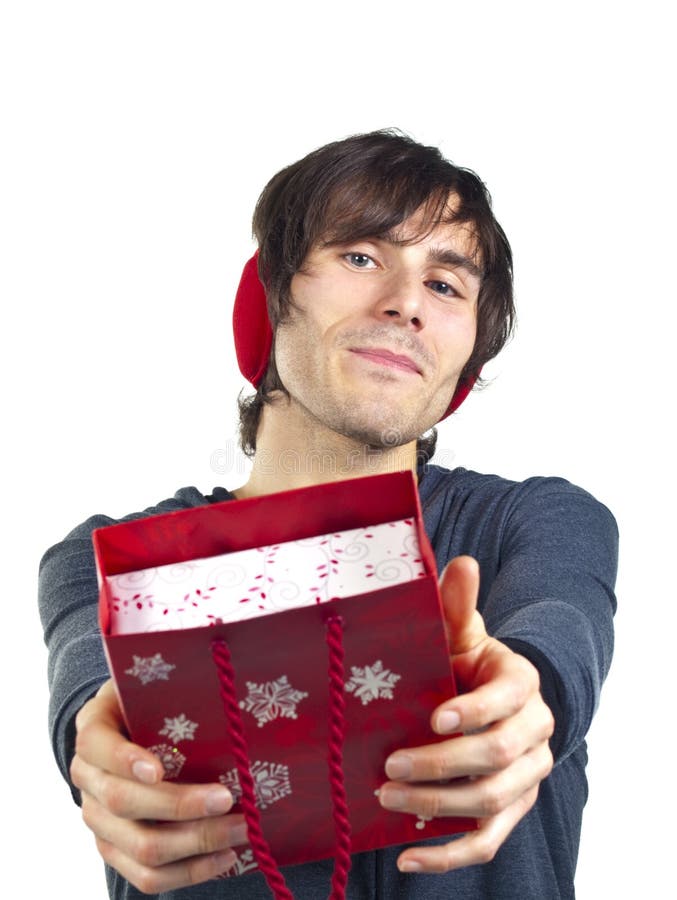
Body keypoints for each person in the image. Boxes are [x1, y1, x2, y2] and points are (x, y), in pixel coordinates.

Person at [39, 129, 618, 899]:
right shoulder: (109, 556)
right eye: (361, 257)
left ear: (464, 366)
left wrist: (527, 696)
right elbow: (89, 694)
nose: (405, 302)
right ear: (269, 296)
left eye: (446, 285)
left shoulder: (536, 521)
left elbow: (558, 628)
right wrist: (99, 748)